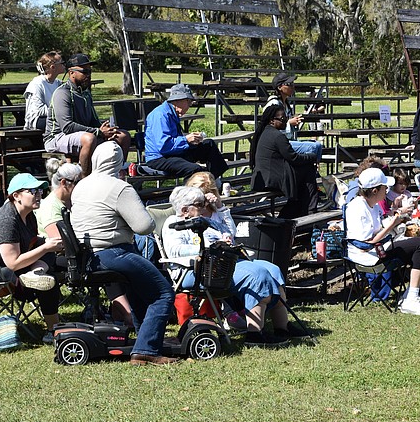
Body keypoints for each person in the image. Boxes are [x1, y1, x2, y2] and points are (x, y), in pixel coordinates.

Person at [70, 141, 175, 366]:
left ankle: (144, 340)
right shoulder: (119, 188)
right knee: (163, 293)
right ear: (118, 162)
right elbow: (144, 226)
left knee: (138, 291)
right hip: (115, 252)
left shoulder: (81, 185)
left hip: (88, 257)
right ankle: (146, 350)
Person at [163, 186, 304, 346]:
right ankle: (254, 334)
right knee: (256, 275)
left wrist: (222, 220)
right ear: (184, 210)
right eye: (199, 204)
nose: (203, 207)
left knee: (272, 269)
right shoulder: (174, 223)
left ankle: (282, 327)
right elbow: (175, 251)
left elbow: (230, 231)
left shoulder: (203, 220)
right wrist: (210, 247)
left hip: (222, 262)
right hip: (196, 271)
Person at [36, 158, 132, 326]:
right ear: (64, 183)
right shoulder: (51, 206)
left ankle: (122, 312)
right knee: (103, 262)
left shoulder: (71, 202)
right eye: (78, 182)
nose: (82, 186)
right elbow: (61, 243)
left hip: (75, 253)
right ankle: (127, 314)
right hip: (54, 258)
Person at [0, 173, 62, 344]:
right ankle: (53, 331)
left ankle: (36, 273)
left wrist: (49, 244)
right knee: (49, 279)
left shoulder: (28, 216)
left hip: (9, 267)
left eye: (40, 191)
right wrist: (46, 246)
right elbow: (13, 262)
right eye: (33, 191)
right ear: (16, 196)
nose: (39, 194)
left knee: (52, 256)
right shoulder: (7, 220)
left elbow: (31, 243)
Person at [345, 167, 420, 315]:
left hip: (379, 248)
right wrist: (392, 225)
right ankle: (411, 298)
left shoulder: (372, 205)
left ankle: (413, 294)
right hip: (368, 256)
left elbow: (379, 226)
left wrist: (397, 213)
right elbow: (365, 244)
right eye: (384, 187)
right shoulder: (357, 208)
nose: (387, 190)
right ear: (375, 191)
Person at [44, 53, 131, 175]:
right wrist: (98, 132)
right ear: (71, 73)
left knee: (123, 136)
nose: (88, 75)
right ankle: (85, 179)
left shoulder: (86, 94)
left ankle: (116, 175)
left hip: (83, 135)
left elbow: (94, 121)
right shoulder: (62, 93)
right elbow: (67, 127)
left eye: (90, 71)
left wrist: (107, 129)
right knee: (89, 139)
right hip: (57, 138)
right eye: (84, 72)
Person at [143, 83, 228, 180]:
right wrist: (186, 140)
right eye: (188, 101)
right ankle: (189, 194)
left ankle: (215, 183)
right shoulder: (160, 115)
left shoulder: (171, 112)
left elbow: (174, 141)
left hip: (173, 154)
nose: (190, 105)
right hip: (159, 158)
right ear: (178, 100)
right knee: (195, 169)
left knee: (209, 145)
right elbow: (163, 146)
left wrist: (193, 141)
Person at [250, 104, 319, 218]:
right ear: (272, 120)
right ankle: (310, 210)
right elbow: (294, 158)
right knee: (308, 169)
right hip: (271, 180)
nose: (285, 121)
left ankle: (302, 207)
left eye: (286, 118)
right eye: (282, 119)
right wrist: (312, 156)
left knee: (303, 178)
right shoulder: (277, 136)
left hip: (265, 178)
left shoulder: (265, 132)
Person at [265, 72, 323, 161]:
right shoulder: (274, 104)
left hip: (287, 140)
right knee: (312, 147)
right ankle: (309, 172)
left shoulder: (286, 103)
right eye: (289, 84)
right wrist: (289, 123)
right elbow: (270, 127)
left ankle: (314, 170)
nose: (292, 86)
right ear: (280, 87)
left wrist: (293, 122)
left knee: (318, 145)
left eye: (292, 84)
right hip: (277, 143)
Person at [24, 51, 64, 131]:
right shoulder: (37, 84)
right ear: (53, 67)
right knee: (65, 123)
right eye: (61, 63)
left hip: (53, 117)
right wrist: (60, 110)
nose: (64, 64)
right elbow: (38, 110)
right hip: (36, 121)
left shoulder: (58, 83)